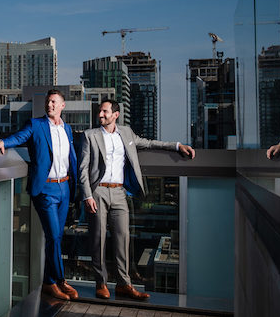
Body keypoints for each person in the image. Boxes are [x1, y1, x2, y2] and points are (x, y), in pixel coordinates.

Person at [79, 100, 195, 300]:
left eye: (105, 112)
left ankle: (124, 284)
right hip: (98, 192)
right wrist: (88, 195)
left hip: (119, 193)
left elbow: (149, 143)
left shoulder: (126, 133)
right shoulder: (90, 136)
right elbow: (83, 168)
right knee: (97, 239)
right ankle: (101, 283)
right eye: (100, 112)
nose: (100, 115)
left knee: (123, 238)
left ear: (115, 114)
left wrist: (177, 146)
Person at [0, 89, 79, 301]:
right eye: (48, 102)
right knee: (53, 236)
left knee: (57, 236)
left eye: (53, 102)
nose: (49, 105)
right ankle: (60, 279)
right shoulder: (36, 125)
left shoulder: (67, 129)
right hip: (46, 190)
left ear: (62, 105)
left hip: (64, 188)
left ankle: (49, 282)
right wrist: (4, 143)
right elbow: (20, 136)